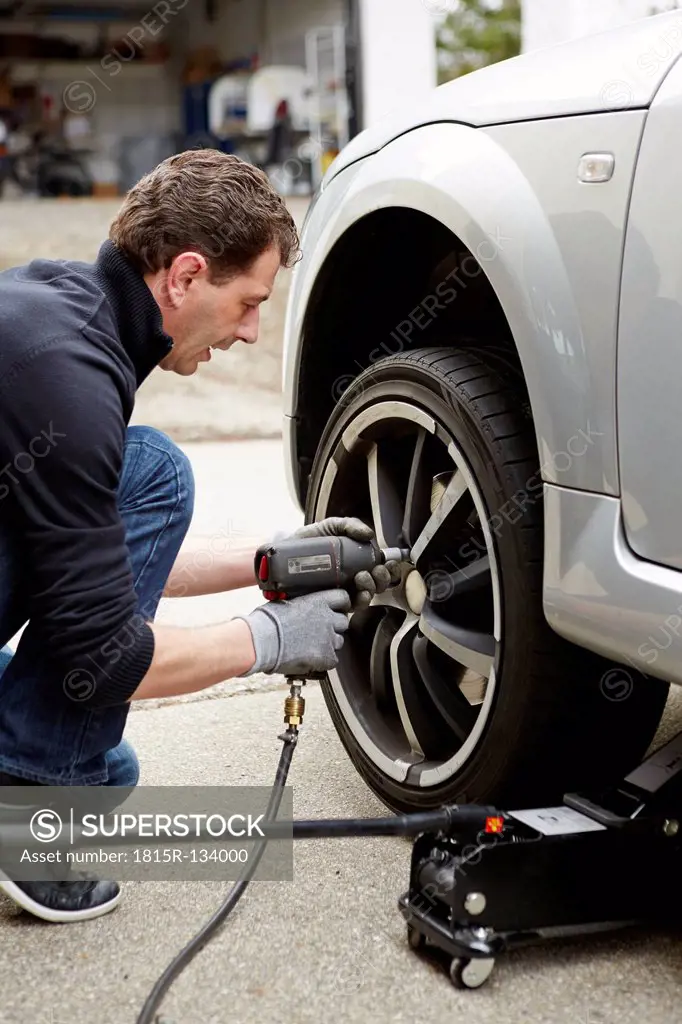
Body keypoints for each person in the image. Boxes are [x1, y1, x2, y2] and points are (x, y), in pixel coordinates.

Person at [0, 149, 395, 923]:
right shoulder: (73, 382)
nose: (252, 333)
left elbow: (80, 552)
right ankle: (32, 834)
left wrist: (267, 563)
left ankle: (30, 774)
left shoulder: (56, 307)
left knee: (109, 765)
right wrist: (269, 639)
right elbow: (106, 656)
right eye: (249, 302)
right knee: (159, 473)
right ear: (183, 277)